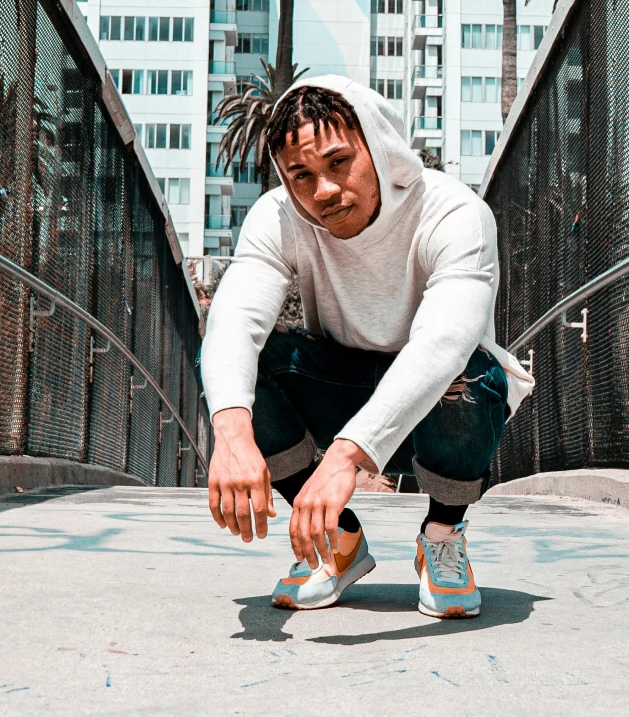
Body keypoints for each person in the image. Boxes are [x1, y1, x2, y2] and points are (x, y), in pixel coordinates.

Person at [200, 74, 532, 618]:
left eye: (337, 163)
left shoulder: (453, 213)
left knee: (469, 372)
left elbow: (443, 343)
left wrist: (345, 459)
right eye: (300, 175)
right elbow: (233, 320)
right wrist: (232, 433)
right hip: (340, 390)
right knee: (237, 369)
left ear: (377, 148)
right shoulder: (279, 217)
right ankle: (338, 540)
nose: (323, 190)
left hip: (438, 407)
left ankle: (444, 535)